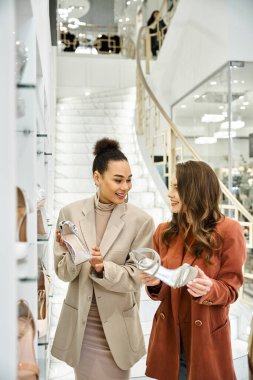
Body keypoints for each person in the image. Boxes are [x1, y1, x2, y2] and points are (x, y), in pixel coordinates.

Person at [51, 138, 155, 380]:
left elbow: (136, 277)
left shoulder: (141, 221)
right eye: (118, 180)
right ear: (97, 178)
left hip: (119, 327)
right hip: (82, 326)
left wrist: (102, 268)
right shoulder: (70, 213)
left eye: (129, 180)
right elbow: (63, 274)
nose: (125, 186)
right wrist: (74, 253)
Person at [140, 160, 247, 380]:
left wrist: (210, 288)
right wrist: (155, 282)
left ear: (195, 189)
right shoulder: (163, 232)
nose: (170, 193)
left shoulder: (229, 230)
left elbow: (231, 290)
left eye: (177, 188)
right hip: (170, 339)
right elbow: (162, 290)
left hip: (206, 339)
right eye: (171, 186)